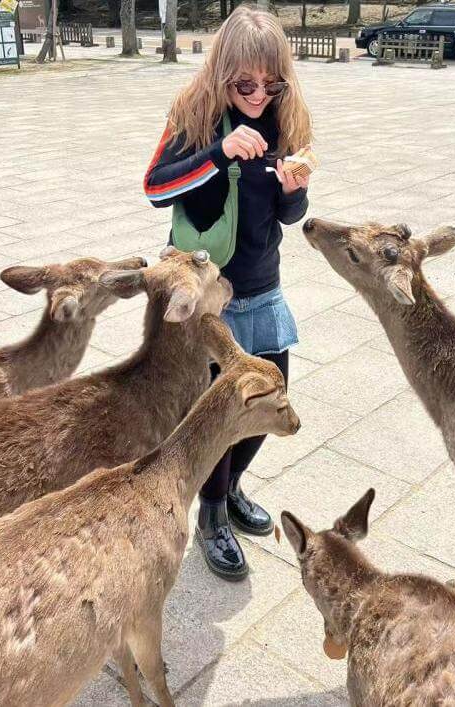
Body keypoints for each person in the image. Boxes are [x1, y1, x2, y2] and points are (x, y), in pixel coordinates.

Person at [143, 6, 313, 581]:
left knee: (269, 399)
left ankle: (232, 487)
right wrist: (218, 153)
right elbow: (155, 188)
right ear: (221, 74)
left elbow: (288, 215)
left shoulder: (284, 121)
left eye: (272, 83)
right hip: (207, 289)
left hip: (262, 285)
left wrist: (295, 190)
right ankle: (211, 515)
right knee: (217, 411)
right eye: (245, 83)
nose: (260, 94)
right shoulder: (192, 114)